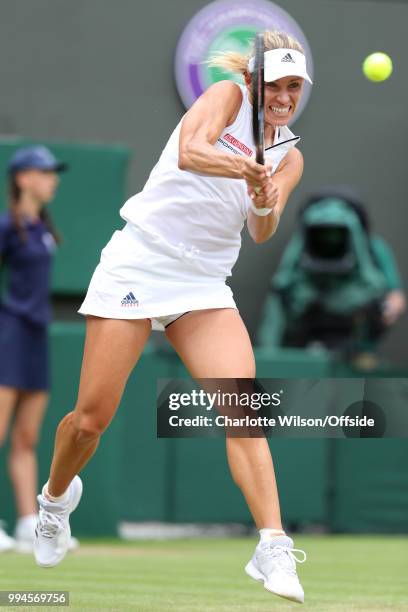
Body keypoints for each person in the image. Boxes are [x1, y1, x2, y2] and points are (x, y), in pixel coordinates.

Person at [34, 31, 311, 604]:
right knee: (89, 421)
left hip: (204, 284)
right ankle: (55, 503)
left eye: (294, 87)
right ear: (255, 83)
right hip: (140, 262)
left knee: (244, 410)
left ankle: (272, 545)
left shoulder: (291, 154)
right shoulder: (227, 97)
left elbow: (263, 230)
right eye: (275, 85)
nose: (284, 96)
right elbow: (191, 149)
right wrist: (246, 170)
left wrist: (264, 196)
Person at [0, 146, 77, 553]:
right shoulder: (6, 228)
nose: (53, 179)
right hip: (9, 335)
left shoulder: (44, 230)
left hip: (35, 338)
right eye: (45, 172)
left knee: (27, 437)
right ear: (22, 179)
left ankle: (31, 524)